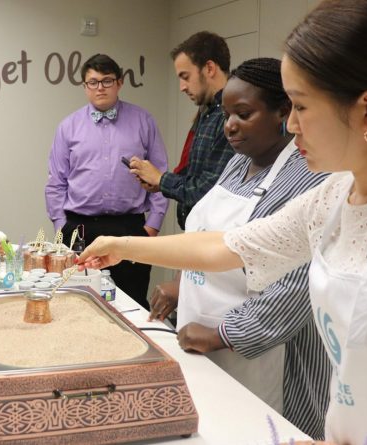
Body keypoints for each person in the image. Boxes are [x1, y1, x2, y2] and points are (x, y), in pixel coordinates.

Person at [78, 1, 367, 443]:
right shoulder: (337, 194)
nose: (291, 125)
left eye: (301, 107)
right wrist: (121, 246)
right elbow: (228, 246)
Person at [148, 58, 330, 438]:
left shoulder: (310, 176)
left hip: (264, 349)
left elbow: (298, 281)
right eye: (227, 114)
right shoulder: (237, 164)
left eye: (243, 114)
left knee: (261, 430)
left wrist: (224, 335)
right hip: (199, 335)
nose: (229, 126)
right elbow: (208, 238)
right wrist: (183, 286)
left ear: (283, 111)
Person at [45, 53, 168, 309]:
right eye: (93, 82)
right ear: (85, 86)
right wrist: (61, 226)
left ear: (119, 83)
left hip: (130, 227)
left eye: (107, 80)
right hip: (79, 229)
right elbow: (56, 181)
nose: (100, 87)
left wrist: (152, 226)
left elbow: (161, 176)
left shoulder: (143, 121)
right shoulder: (68, 127)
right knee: (77, 304)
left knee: (132, 303)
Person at [129, 31, 234, 230]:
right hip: (197, 232)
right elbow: (194, 176)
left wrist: (162, 179)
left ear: (209, 68)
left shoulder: (230, 116)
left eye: (185, 77)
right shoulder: (208, 112)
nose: (182, 87)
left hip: (214, 236)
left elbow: (209, 190)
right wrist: (158, 183)